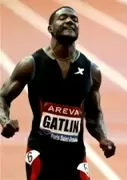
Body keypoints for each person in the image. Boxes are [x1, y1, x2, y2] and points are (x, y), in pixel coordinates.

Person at [0, 6, 116, 180]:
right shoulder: (32, 64)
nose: (70, 21)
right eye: (63, 18)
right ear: (50, 28)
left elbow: (94, 115)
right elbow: (3, 96)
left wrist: (103, 138)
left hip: (75, 156)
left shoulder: (91, 70)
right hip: (41, 153)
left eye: (75, 19)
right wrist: (4, 121)